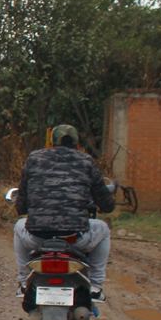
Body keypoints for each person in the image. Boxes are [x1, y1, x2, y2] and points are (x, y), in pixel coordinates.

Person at [14, 124, 116, 301]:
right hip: (75, 238)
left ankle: (24, 283)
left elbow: (21, 204)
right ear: (77, 143)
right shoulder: (86, 161)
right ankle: (96, 286)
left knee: (18, 226)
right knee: (103, 228)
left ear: (52, 142)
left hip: (38, 238)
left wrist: (24, 207)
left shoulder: (34, 159)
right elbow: (107, 205)